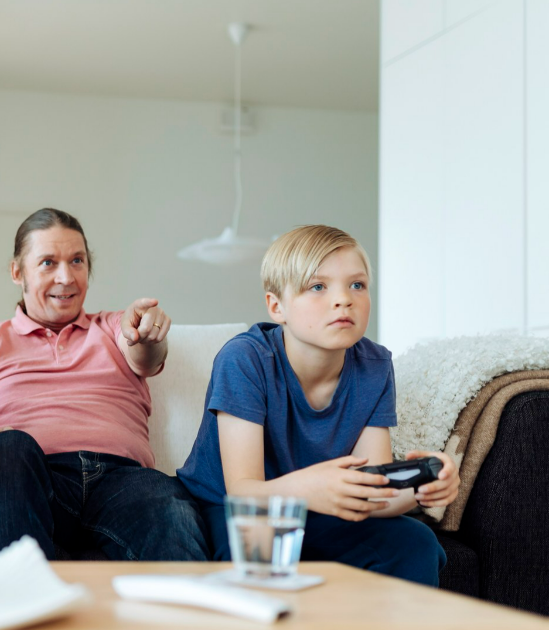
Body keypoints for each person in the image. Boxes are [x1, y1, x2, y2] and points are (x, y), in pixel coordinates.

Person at [176, 224, 459, 585]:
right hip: (236, 508)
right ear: (277, 307)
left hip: (319, 509)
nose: (344, 299)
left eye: (357, 285)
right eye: (318, 287)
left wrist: (421, 490)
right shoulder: (244, 358)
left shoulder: (374, 365)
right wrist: (308, 489)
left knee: (417, 542)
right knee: (257, 553)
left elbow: (372, 493)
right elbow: (244, 490)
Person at [0, 207, 208, 561]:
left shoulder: (113, 326)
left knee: (171, 507)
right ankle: (21, 599)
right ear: (18, 272)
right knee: (6, 448)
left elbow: (145, 354)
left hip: (123, 481)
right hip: (33, 476)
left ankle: (188, 613)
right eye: (48, 263)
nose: (66, 277)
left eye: (77, 261)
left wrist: (147, 334)